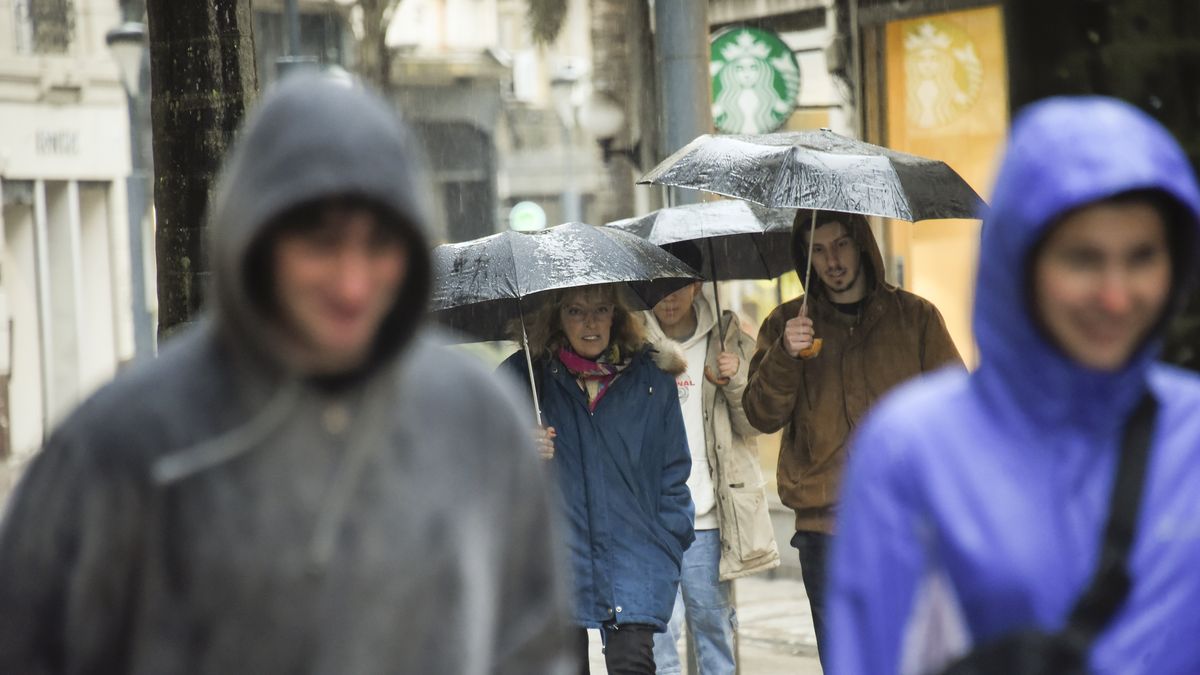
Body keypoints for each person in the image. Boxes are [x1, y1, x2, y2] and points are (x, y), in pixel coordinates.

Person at [0, 73, 573, 674]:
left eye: (379, 245)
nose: (353, 284)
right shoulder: (121, 448)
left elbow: (531, 648)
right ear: (256, 238)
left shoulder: (476, 422)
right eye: (322, 244)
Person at [827, 96, 1200, 674]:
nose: (1116, 296)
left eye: (1143, 256)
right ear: (1019, 264)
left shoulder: (1191, 433)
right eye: (1083, 259)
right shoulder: (914, 452)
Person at [742, 208, 963, 668]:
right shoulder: (786, 326)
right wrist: (785, 355)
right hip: (826, 532)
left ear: (861, 243)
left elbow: (958, 413)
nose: (832, 260)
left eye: (840, 244)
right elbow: (761, 415)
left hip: (907, 526)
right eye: (817, 250)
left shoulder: (915, 318)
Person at [500, 284, 694, 675]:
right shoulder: (525, 378)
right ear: (557, 318)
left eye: (601, 309)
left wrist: (668, 539)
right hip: (556, 559)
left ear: (616, 316)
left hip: (635, 554)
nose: (590, 323)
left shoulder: (651, 379)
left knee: (632, 664)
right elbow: (478, 461)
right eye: (575, 311)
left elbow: (673, 469)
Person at [642, 244, 780, 675]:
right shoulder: (632, 346)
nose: (669, 297)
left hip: (708, 519)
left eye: (677, 284)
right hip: (651, 518)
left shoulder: (730, 341)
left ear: (697, 284)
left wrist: (736, 378)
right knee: (658, 636)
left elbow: (756, 424)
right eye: (658, 285)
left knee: (714, 632)